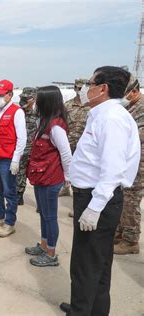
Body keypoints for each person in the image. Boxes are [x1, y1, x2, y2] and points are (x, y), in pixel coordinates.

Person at [60, 66, 140, 316]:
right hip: (95, 195)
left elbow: (114, 169)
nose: (86, 88)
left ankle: (80, 311)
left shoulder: (111, 118)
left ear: (103, 88)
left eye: (90, 82)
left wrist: (94, 208)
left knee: (86, 265)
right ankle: (89, 308)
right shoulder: (102, 113)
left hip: (97, 198)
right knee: (98, 263)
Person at [25, 86, 72, 267]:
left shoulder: (55, 127)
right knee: (44, 214)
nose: (35, 103)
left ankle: (51, 253)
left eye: (38, 100)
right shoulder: (44, 122)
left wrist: (68, 176)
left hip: (51, 179)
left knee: (50, 216)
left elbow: (66, 154)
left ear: (46, 102)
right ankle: (44, 245)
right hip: (40, 177)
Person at [0, 79, 26, 237]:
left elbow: (22, 139)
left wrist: (16, 159)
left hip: (8, 158)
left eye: (1, 95)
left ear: (10, 95)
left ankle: (9, 223)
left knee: (9, 192)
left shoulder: (17, 112)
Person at [114, 75, 143, 255]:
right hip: (127, 161)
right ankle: (120, 233)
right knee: (122, 199)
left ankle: (131, 241)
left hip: (139, 163)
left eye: (125, 94)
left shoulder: (142, 107)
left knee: (131, 201)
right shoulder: (130, 106)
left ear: (134, 91)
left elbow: (136, 136)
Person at [58, 78, 88, 202]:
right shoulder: (67, 105)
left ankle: (78, 199)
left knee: (80, 172)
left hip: (84, 145)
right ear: (75, 88)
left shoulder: (91, 105)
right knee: (64, 167)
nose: (79, 91)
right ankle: (65, 187)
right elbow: (61, 122)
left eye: (82, 88)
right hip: (69, 141)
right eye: (78, 88)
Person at [16, 87, 39, 205]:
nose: (23, 101)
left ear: (33, 99)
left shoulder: (40, 113)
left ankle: (40, 202)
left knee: (37, 175)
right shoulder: (19, 112)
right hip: (22, 149)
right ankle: (19, 195)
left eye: (26, 98)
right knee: (20, 172)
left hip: (36, 150)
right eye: (22, 98)